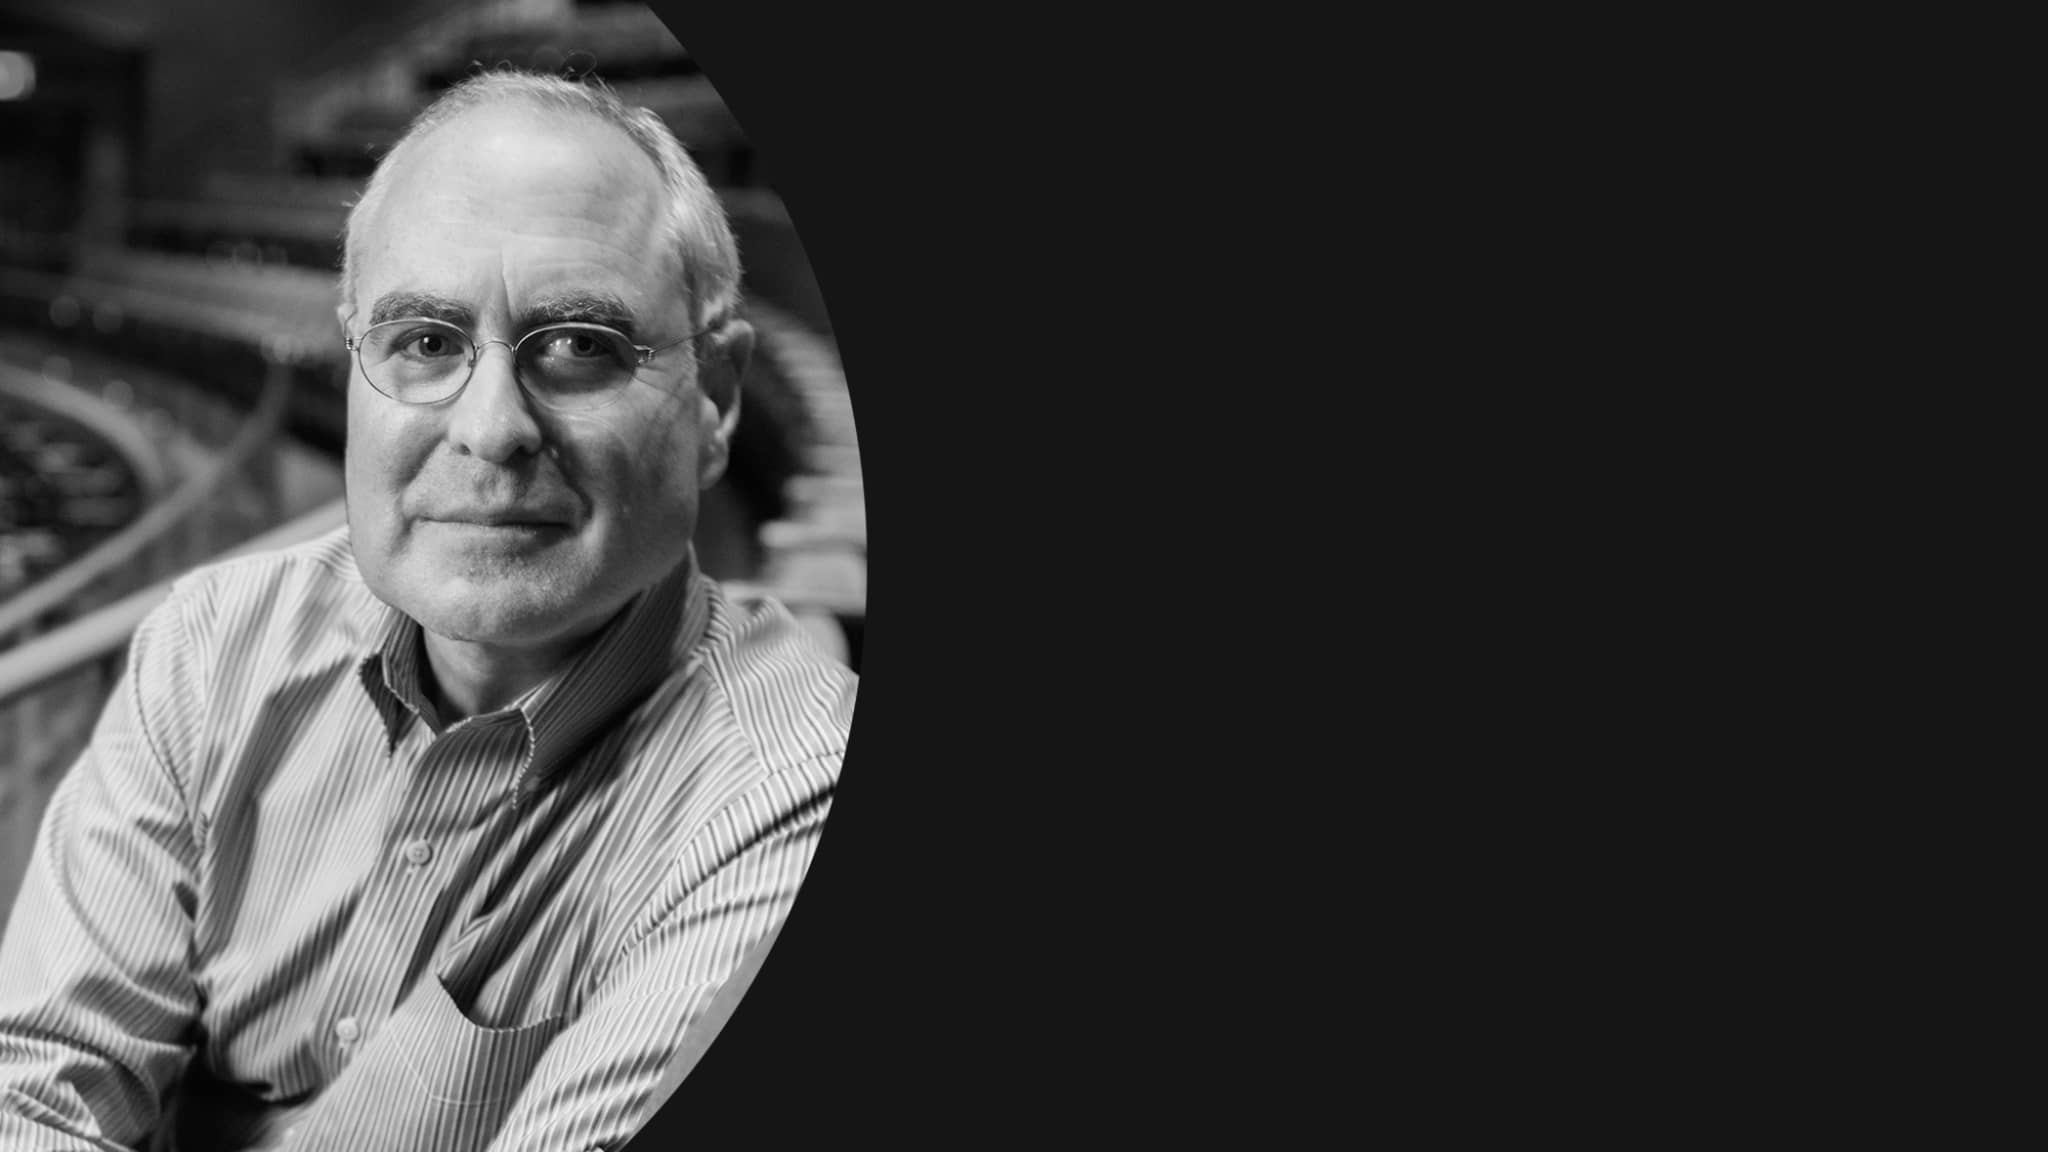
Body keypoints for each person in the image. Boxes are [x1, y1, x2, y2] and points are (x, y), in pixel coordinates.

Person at [0, 71, 854, 1151]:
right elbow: (34, 1093)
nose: (491, 429)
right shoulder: (214, 640)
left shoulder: (786, 800)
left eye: (581, 344)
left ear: (716, 398)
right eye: (426, 344)